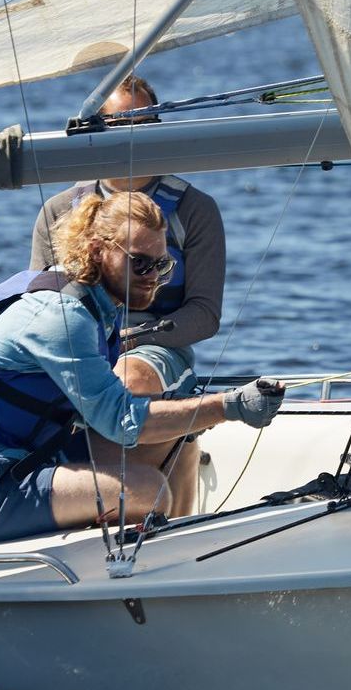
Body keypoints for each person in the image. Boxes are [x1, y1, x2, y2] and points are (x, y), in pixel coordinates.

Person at [0, 190, 283, 545]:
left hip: (33, 457)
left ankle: (182, 551)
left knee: (177, 439)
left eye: (163, 266)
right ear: (99, 251)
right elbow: (122, 419)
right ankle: (133, 572)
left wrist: (198, 414)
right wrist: (229, 406)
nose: (152, 277)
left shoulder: (93, 303)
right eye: (140, 263)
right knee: (149, 491)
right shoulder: (62, 317)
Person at [29, 73, 226, 514]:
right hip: (77, 346)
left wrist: (131, 341)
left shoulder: (195, 210)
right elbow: (38, 310)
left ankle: (134, 505)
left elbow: (205, 314)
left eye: (146, 123)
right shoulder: (58, 212)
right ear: (94, 132)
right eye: (120, 124)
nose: (134, 135)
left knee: (129, 377)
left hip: (157, 348)